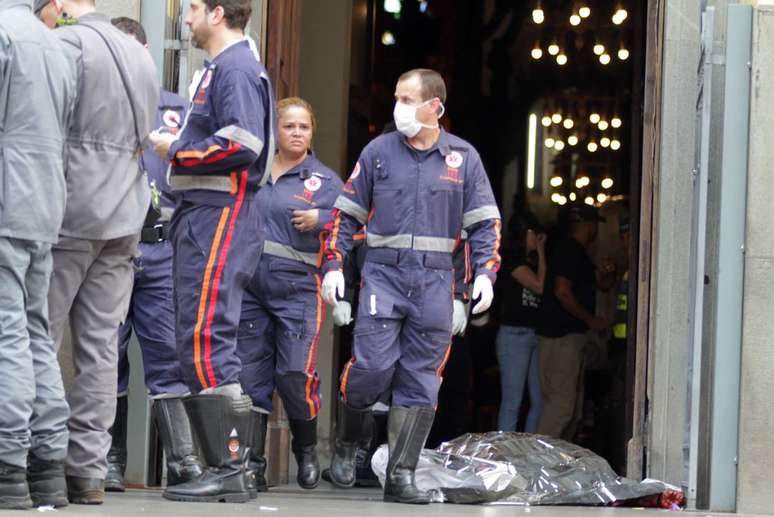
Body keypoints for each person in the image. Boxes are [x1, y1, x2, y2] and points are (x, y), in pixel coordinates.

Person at [321, 68, 501, 504]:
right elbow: (345, 215)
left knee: (421, 382)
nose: (397, 107)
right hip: (384, 275)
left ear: (433, 106)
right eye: (397, 98)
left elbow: (484, 224)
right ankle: (349, 439)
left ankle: (401, 475)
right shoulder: (379, 152)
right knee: (372, 369)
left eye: (407, 98)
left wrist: (484, 276)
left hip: (437, 281)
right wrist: (333, 266)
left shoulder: (463, 158)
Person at [148, 0, 274, 504]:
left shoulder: (237, 68)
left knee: (207, 335)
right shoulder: (221, 67)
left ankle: (229, 466)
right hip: (204, 212)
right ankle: (227, 466)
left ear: (218, 13)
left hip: (221, 213)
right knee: (197, 335)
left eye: (194, 7)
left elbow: (244, 143)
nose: (186, 15)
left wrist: (175, 150)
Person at [36, 0, 160, 505]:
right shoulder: (141, 55)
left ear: (62, 6)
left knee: (37, 333)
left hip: (71, 208)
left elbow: (45, 126)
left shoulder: (67, 45)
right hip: (125, 211)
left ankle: (35, 458)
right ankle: (86, 470)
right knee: (101, 347)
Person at [102, 17, 204, 496]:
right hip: (109, 247)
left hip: (163, 249)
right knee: (105, 353)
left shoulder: (179, 111)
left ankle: (183, 459)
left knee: (167, 355)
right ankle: (107, 458)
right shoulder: (97, 104)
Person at [236, 97, 343, 491]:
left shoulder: (326, 182)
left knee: (295, 374)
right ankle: (253, 464)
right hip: (250, 287)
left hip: (299, 289)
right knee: (251, 376)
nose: (297, 133)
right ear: (275, 131)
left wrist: (324, 217)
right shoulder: (253, 171)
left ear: (312, 132)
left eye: (304, 127)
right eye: (289, 127)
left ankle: (306, 448)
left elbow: (356, 222)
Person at [0, 0, 75, 509]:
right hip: (45, 204)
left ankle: (7, 465)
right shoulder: (53, 43)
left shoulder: (4, 34)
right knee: (34, 334)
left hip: (8, 199)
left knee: (8, 331)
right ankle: (49, 466)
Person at [536, 204, 616, 442]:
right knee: (561, 410)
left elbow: (602, 285)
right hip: (561, 340)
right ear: (589, 226)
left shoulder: (578, 253)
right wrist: (591, 320)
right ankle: (535, 467)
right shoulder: (569, 251)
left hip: (567, 340)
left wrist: (607, 272)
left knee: (573, 412)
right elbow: (562, 291)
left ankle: (557, 469)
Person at [495, 212, 546, 433]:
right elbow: (539, 286)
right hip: (514, 335)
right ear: (528, 233)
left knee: (539, 401)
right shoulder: (512, 259)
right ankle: (504, 455)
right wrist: (543, 253)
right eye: (537, 234)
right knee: (512, 402)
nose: (541, 238)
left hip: (533, 333)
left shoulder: (527, 261)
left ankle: (527, 450)